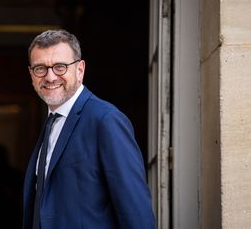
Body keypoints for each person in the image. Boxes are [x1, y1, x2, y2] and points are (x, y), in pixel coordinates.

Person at [22, 29, 155, 229]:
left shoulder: (105, 120)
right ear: (31, 74)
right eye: (41, 68)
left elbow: (135, 212)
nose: (50, 77)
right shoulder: (52, 122)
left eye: (60, 67)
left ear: (80, 70)